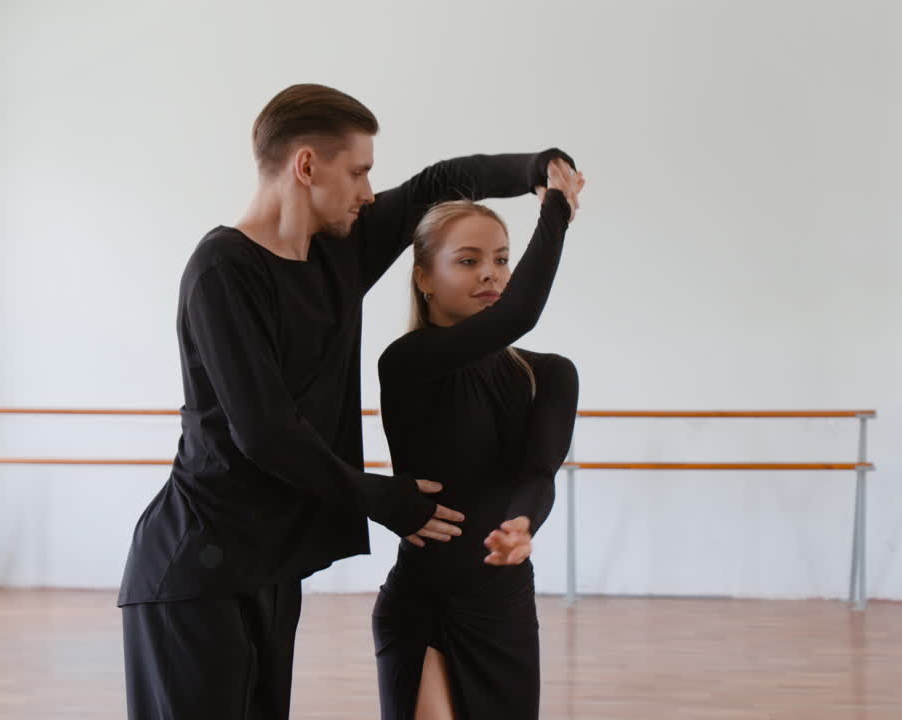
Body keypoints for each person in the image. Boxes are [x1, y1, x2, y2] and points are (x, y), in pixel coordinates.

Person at [116, 81, 576, 719]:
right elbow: (266, 431)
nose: (367, 191)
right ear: (307, 166)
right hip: (198, 566)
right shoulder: (224, 270)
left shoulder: (340, 254)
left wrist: (536, 171)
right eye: (358, 171)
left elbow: (439, 181)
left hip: (272, 566)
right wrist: (385, 499)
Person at [372, 157, 584, 719]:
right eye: (468, 261)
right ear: (424, 277)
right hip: (423, 601)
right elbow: (519, 315)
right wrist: (556, 210)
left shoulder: (550, 374)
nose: (491, 274)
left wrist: (521, 525)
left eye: (500, 260)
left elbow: (537, 476)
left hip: (502, 608)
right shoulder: (407, 363)